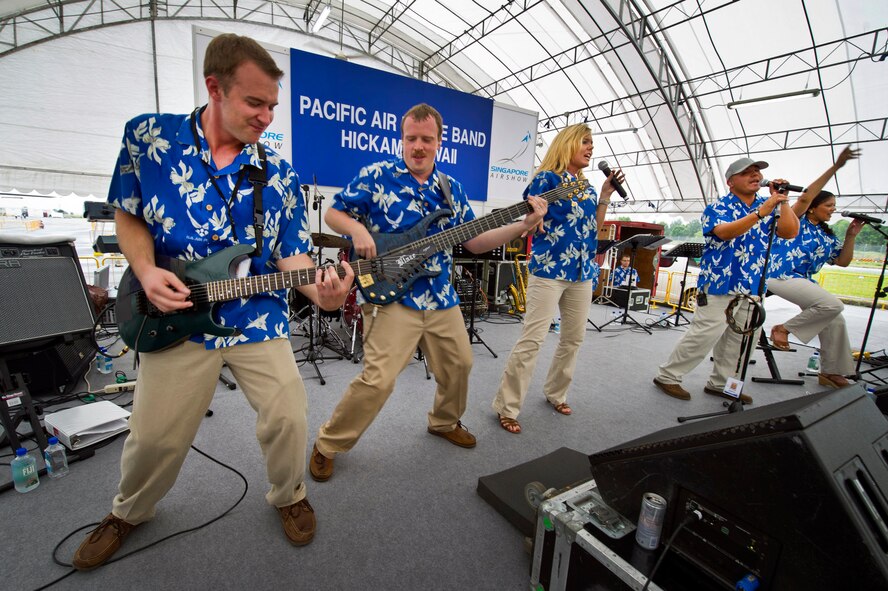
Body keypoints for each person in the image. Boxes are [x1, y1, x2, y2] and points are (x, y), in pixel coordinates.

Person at [72, 34, 354, 570]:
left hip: (255, 315)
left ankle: (289, 494)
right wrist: (146, 270)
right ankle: (128, 511)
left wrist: (324, 291)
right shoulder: (149, 137)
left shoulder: (280, 175)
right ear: (214, 87)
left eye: (273, 105)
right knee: (152, 437)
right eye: (255, 103)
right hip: (173, 315)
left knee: (290, 415)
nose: (267, 116)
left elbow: (292, 256)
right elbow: (128, 212)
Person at [308, 103, 547, 481]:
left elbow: (476, 242)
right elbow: (334, 214)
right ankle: (328, 443)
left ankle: (443, 421)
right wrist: (356, 230)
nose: (418, 146)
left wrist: (523, 225)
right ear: (402, 139)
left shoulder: (451, 188)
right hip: (391, 297)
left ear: (440, 141)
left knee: (460, 365)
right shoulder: (377, 175)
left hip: (440, 297)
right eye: (411, 138)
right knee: (379, 380)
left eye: (426, 139)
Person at [491, 123, 618, 434]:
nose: (591, 148)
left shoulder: (587, 186)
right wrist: (536, 221)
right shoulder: (546, 178)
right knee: (532, 339)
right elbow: (531, 219)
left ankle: (556, 392)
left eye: (592, 144)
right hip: (550, 269)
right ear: (568, 144)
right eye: (585, 142)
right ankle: (507, 406)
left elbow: (592, 225)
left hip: (582, 270)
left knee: (573, 338)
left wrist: (604, 195)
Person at [652, 157, 799, 404]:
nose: (755, 176)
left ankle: (721, 384)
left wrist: (783, 202)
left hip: (753, 284)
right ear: (731, 182)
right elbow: (725, 232)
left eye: (757, 172)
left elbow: (790, 231)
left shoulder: (770, 204)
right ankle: (668, 376)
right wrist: (761, 212)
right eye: (747, 172)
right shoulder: (717, 208)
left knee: (742, 341)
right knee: (704, 335)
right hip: (721, 282)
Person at [767, 146, 862, 388]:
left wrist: (851, 235)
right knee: (832, 304)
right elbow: (806, 196)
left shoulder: (828, 236)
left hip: (802, 280)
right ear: (813, 207)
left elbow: (842, 261)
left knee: (835, 318)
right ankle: (783, 329)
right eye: (829, 205)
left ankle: (831, 372)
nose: (833, 209)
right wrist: (836, 167)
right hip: (779, 274)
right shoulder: (796, 219)